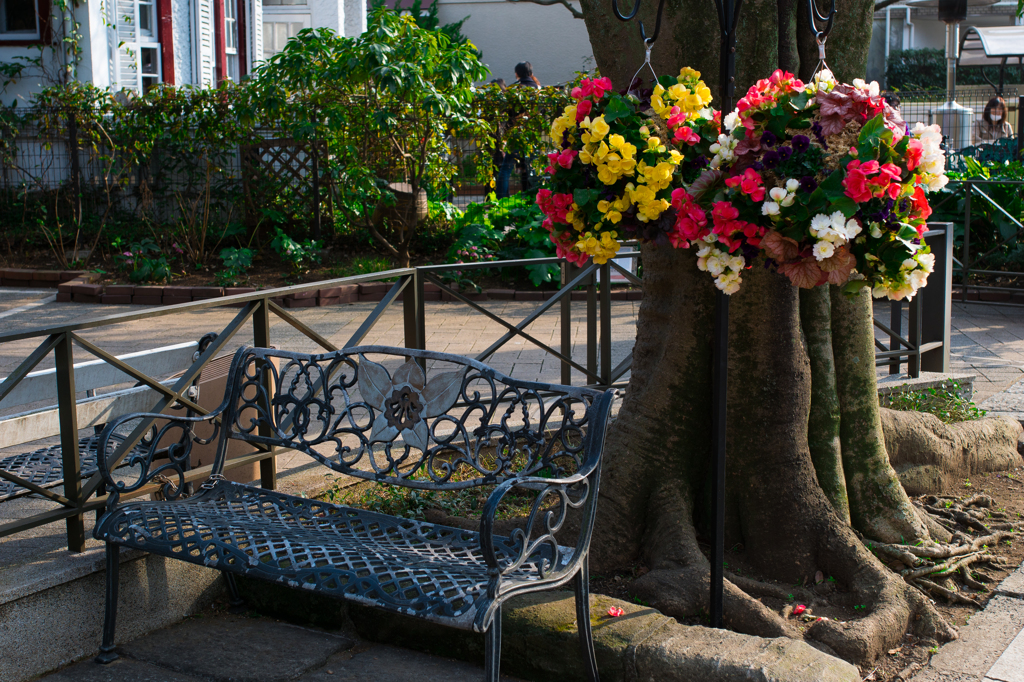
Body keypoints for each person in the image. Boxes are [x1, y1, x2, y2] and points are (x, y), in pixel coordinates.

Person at [496, 63, 541, 198]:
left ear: (517, 74)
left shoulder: (513, 89)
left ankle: (501, 199)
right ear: (530, 73)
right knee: (532, 167)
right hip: (533, 133)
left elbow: (507, 111)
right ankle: (534, 198)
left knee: (506, 168)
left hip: (515, 133)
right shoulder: (537, 89)